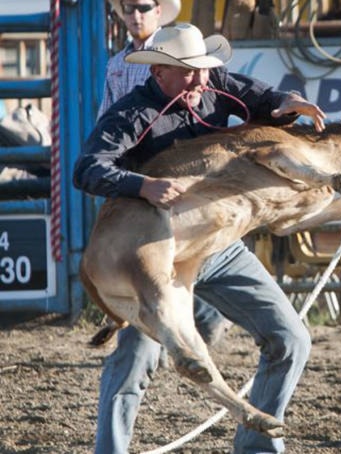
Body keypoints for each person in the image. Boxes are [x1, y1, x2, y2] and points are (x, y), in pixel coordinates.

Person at [75, 23, 326, 454]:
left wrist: (288, 102)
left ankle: (255, 448)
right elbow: (87, 168)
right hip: (157, 256)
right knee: (135, 360)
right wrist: (141, 185)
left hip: (218, 244)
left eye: (203, 69)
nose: (200, 79)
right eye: (187, 72)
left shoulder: (215, 82)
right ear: (159, 74)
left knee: (292, 339)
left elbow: (265, 99)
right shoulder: (132, 114)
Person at [95, 3, 233, 452]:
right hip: (148, 208)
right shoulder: (120, 70)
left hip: (195, 216)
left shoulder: (188, 61)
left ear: (158, 12)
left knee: (179, 323)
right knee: (137, 347)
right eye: (129, 7)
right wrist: (129, 179)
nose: (135, 14)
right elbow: (106, 130)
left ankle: (195, 327)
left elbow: (242, 91)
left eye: (143, 6)